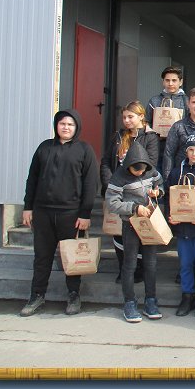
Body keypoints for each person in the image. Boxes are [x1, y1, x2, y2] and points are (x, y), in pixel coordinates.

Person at [20, 109, 98, 317]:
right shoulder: (44, 147)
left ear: (77, 127)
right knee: (42, 257)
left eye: (70, 124)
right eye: (62, 123)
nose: (66, 127)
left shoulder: (84, 150)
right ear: (56, 125)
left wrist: (85, 214)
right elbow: (32, 179)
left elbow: (90, 184)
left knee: (72, 257)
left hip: (70, 214)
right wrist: (28, 207)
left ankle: (73, 295)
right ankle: (37, 296)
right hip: (42, 212)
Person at [104, 143, 164, 323]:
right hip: (130, 224)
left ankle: (151, 300)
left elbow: (160, 184)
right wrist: (134, 208)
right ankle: (129, 302)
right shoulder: (119, 177)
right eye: (136, 170)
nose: (140, 172)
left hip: (150, 223)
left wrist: (157, 192)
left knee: (150, 264)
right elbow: (112, 203)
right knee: (129, 264)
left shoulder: (151, 171)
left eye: (142, 169)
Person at [100, 101, 159, 284]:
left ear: (141, 116)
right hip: (118, 192)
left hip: (139, 194)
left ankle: (138, 270)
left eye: (130, 117)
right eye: (124, 117)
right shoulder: (118, 136)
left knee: (140, 232)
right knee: (118, 231)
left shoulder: (150, 137)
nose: (126, 120)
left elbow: (151, 164)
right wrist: (111, 184)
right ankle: (123, 268)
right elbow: (106, 162)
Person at [164, 134, 195, 318]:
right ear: (186, 151)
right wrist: (170, 216)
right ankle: (187, 296)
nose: (194, 154)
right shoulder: (177, 172)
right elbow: (169, 196)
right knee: (185, 264)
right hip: (182, 227)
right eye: (191, 150)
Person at [145, 66, 189, 170]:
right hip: (158, 146)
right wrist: (152, 133)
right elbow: (146, 121)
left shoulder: (187, 101)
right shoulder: (154, 101)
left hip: (180, 147)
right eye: (167, 80)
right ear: (163, 82)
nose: (170, 83)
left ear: (180, 82)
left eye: (174, 80)